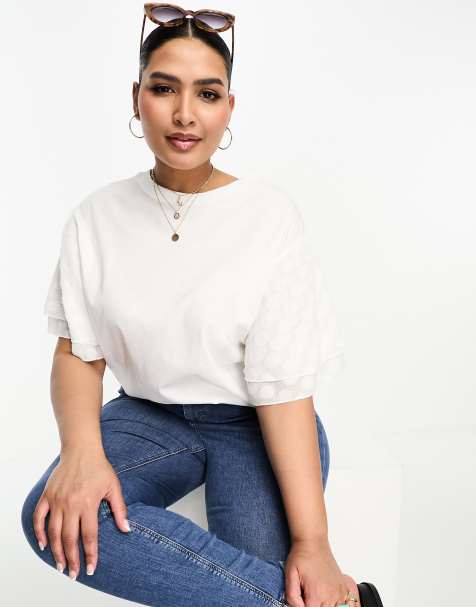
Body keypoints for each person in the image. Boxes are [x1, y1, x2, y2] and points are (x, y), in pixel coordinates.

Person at [21, 5, 360, 606]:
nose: (184, 114)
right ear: (136, 98)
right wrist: (80, 453)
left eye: (207, 93)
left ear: (229, 108)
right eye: (163, 89)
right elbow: (78, 352)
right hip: (147, 416)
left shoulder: (267, 217)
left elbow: (282, 388)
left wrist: (315, 543)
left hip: (253, 423)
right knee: (54, 517)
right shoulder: (96, 217)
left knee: (268, 574)